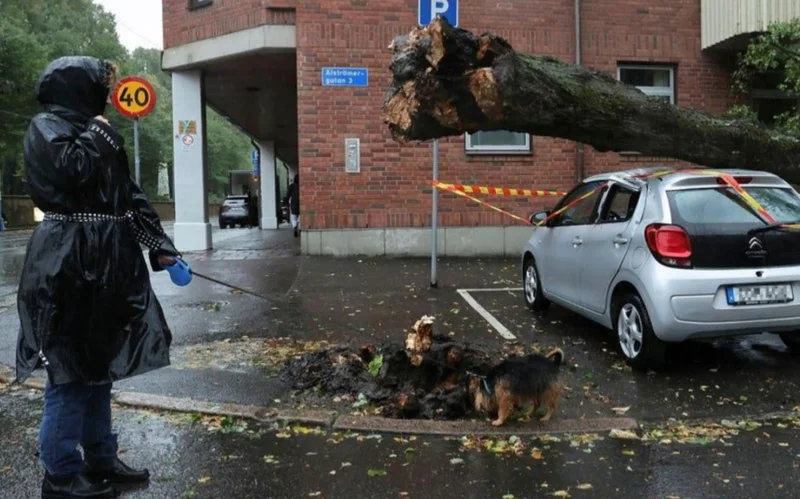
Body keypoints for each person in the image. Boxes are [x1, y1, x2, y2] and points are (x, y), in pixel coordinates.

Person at [15, 56, 181, 499]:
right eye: (100, 86)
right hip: (64, 262)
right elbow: (68, 170)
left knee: (99, 367)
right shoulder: (45, 128)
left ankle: (101, 458)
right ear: (77, 88)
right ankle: (62, 473)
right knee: (68, 371)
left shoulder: (98, 133)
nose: (105, 96)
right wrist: (99, 134)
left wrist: (159, 244)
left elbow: (130, 195)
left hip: (106, 262)